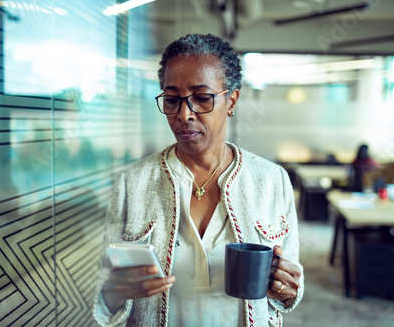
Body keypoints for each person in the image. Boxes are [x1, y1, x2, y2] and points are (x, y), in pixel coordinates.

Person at [93, 33, 303, 327]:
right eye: (171, 100)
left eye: (202, 98)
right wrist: (116, 291)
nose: (184, 114)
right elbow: (107, 292)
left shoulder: (271, 181)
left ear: (231, 100)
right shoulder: (134, 183)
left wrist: (286, 288)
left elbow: (287, 286)